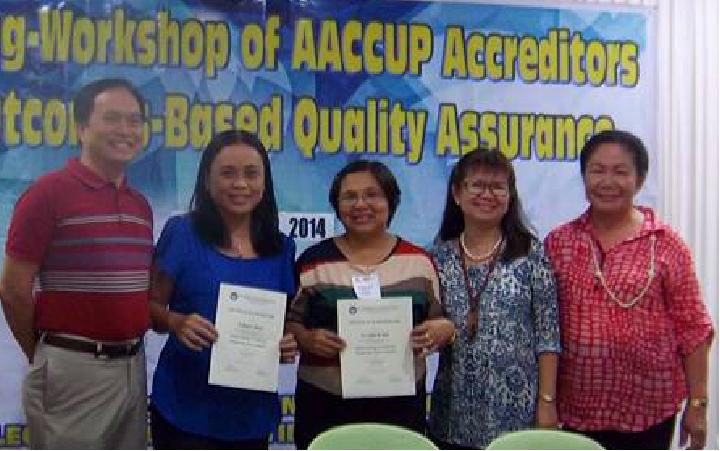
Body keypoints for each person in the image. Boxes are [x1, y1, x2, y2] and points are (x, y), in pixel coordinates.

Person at [0, 78, 151, 449]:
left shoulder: (140, 205)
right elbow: (13, 289)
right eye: (112, 118)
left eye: (134, 121)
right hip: (73, 371)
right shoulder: (46, 194)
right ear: (82, 128)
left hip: (134, 368)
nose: (125, 130)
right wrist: (48, 354)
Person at [544, 129, 714, 450]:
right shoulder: (559, 242)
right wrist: (546, 401)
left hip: (649, 411)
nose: (608, 182)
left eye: (620, 171)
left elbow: (694, 330)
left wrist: (698, 405)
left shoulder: (666, 245)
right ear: (584, 176)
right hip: (575, 411)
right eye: (598, 170)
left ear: (640, 179)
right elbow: (543, 328)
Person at [286, 160, 456, 449]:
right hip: (324, 404)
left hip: (399, 406)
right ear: (336, 206)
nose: (360, 204)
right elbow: (289, 323)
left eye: (372, 194)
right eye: (349, 196)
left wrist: (442, 330)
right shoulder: (313, 262)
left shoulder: (419, 262)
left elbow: (441, 322)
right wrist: (306, 338)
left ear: (390, 201)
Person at [148, 130, 297, 449]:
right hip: (183, 409)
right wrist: (177, 322)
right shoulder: (182, 233)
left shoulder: (282, 247)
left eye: (251, 173)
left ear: (264, 182)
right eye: (227, 173)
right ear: (206, 180)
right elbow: (149, 309)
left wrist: (286, 343)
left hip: (250, 417)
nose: (240, 184)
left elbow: (284, 322)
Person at [427, 149, 561, 449]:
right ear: (457, 194)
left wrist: (547, 402)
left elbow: (548, 336)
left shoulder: (531, 253)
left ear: (510, 196)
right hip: (453, 413)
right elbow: (425, 323)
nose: (488, 194)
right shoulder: (437, 257)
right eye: (477, 185)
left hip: (518, 414)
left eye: (498, 187)